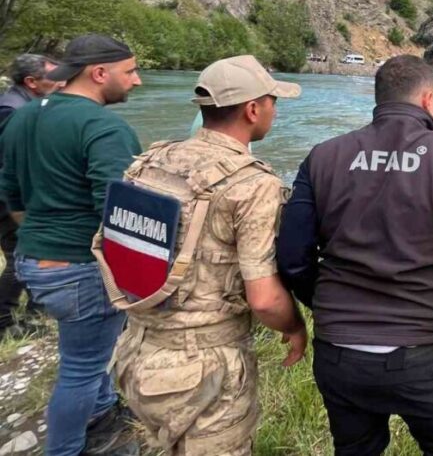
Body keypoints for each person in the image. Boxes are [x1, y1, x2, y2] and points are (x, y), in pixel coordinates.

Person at [277, 54, 433, 456]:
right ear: (428, 99)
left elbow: (293, 255)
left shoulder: (323, 156)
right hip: (427, 353)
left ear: (379, 99)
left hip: (341, 354)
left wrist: (328, 304)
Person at [109, 55, 307, 455]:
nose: (275, 110)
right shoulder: (252, 184)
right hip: (203, 371)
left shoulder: (150, 161)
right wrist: (294, 327)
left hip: (135, 351)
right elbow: (264, 298)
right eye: (272, 101)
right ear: (253, 109)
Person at [0, 35, 143, 456]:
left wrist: (42, 238)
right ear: (99, 74)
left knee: (84, 348)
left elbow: (11, 192)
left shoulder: (23, 116)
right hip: (79, 266)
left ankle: (102, 409)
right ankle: (66, 448)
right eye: (130, 72)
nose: (136, 82)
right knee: (80, 368)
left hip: (32, 259)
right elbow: (118, 211)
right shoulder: (105, 127)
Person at [0, 54, 61, 338]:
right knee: (18, 257)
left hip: (16, 196)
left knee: (26, 254)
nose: (60, 81)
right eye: (53, 76)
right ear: (32, 82)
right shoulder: (11, 110)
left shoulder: (19, 103)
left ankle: (31, 313)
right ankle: (4, 322)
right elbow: (10, 160)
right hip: (9, 200)